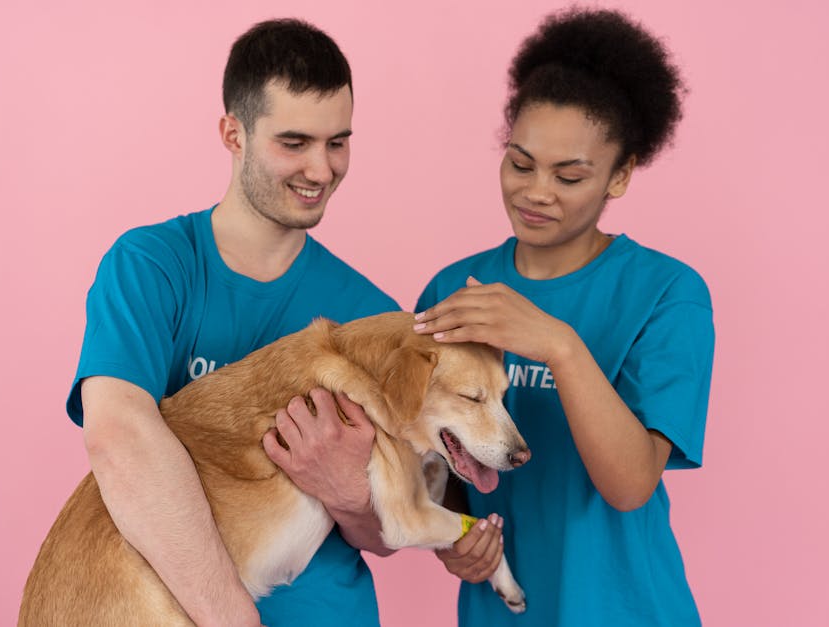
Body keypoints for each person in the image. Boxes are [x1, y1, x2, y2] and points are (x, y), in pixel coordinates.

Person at [67, 19, 398, 627]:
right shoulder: (151, 266)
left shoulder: (371, 314)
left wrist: (351, 495)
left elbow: (384, 531)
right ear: (233, 133)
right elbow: (118, 439)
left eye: (338, 142)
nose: (322, 170)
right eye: (294, 142)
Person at [413, 8, 714, 626]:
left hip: (626, 609)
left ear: (621, 174)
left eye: (570, 175)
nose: (536, 191)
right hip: (502, 610)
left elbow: (631, 484)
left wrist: (557, 344)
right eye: (520, 164)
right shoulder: (453, 289)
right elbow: (431, 458)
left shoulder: (668, 293)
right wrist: (453, 538)